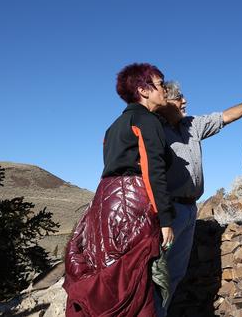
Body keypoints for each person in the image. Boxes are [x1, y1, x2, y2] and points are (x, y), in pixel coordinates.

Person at [154, 81, 242, 316]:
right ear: (163, 101)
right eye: (179, 97)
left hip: (190, 210)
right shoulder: (154, 129)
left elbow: (225, 117)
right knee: (158, 272)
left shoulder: (192, 125)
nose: (185, 101)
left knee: (176, 272)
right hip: (168, 211)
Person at [64, 63, 175, 317]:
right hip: (131, 204)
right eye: (160, 84)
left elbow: (111, 167)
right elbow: (152, 170)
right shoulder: (147, 120)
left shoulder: (112, 127)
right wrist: (166, 220)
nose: (165, 90)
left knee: (108, 270)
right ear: (143, 90)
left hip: (104, 203)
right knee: (137, 278)